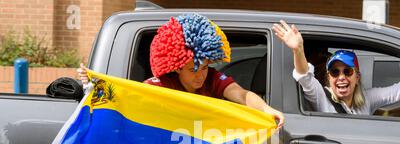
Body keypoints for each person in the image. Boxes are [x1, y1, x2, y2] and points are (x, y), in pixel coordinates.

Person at [78, 14, 284, 128]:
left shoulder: (213, 78)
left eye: (204, 67)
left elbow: (240, 94)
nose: (201, 75)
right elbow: (126, 96)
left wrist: (266, 110)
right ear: (176, 68)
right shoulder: (159, 85)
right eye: (193, 69)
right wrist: (93, 83)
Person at [272, 20, 400, 115]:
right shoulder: (321, 97)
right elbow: (304, 76)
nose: (341, 77)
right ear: (328, 77)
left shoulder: (367, 100)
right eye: (334, 72)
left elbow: (399, 91)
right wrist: (297, 50)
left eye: (347, 71)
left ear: (357, 77)